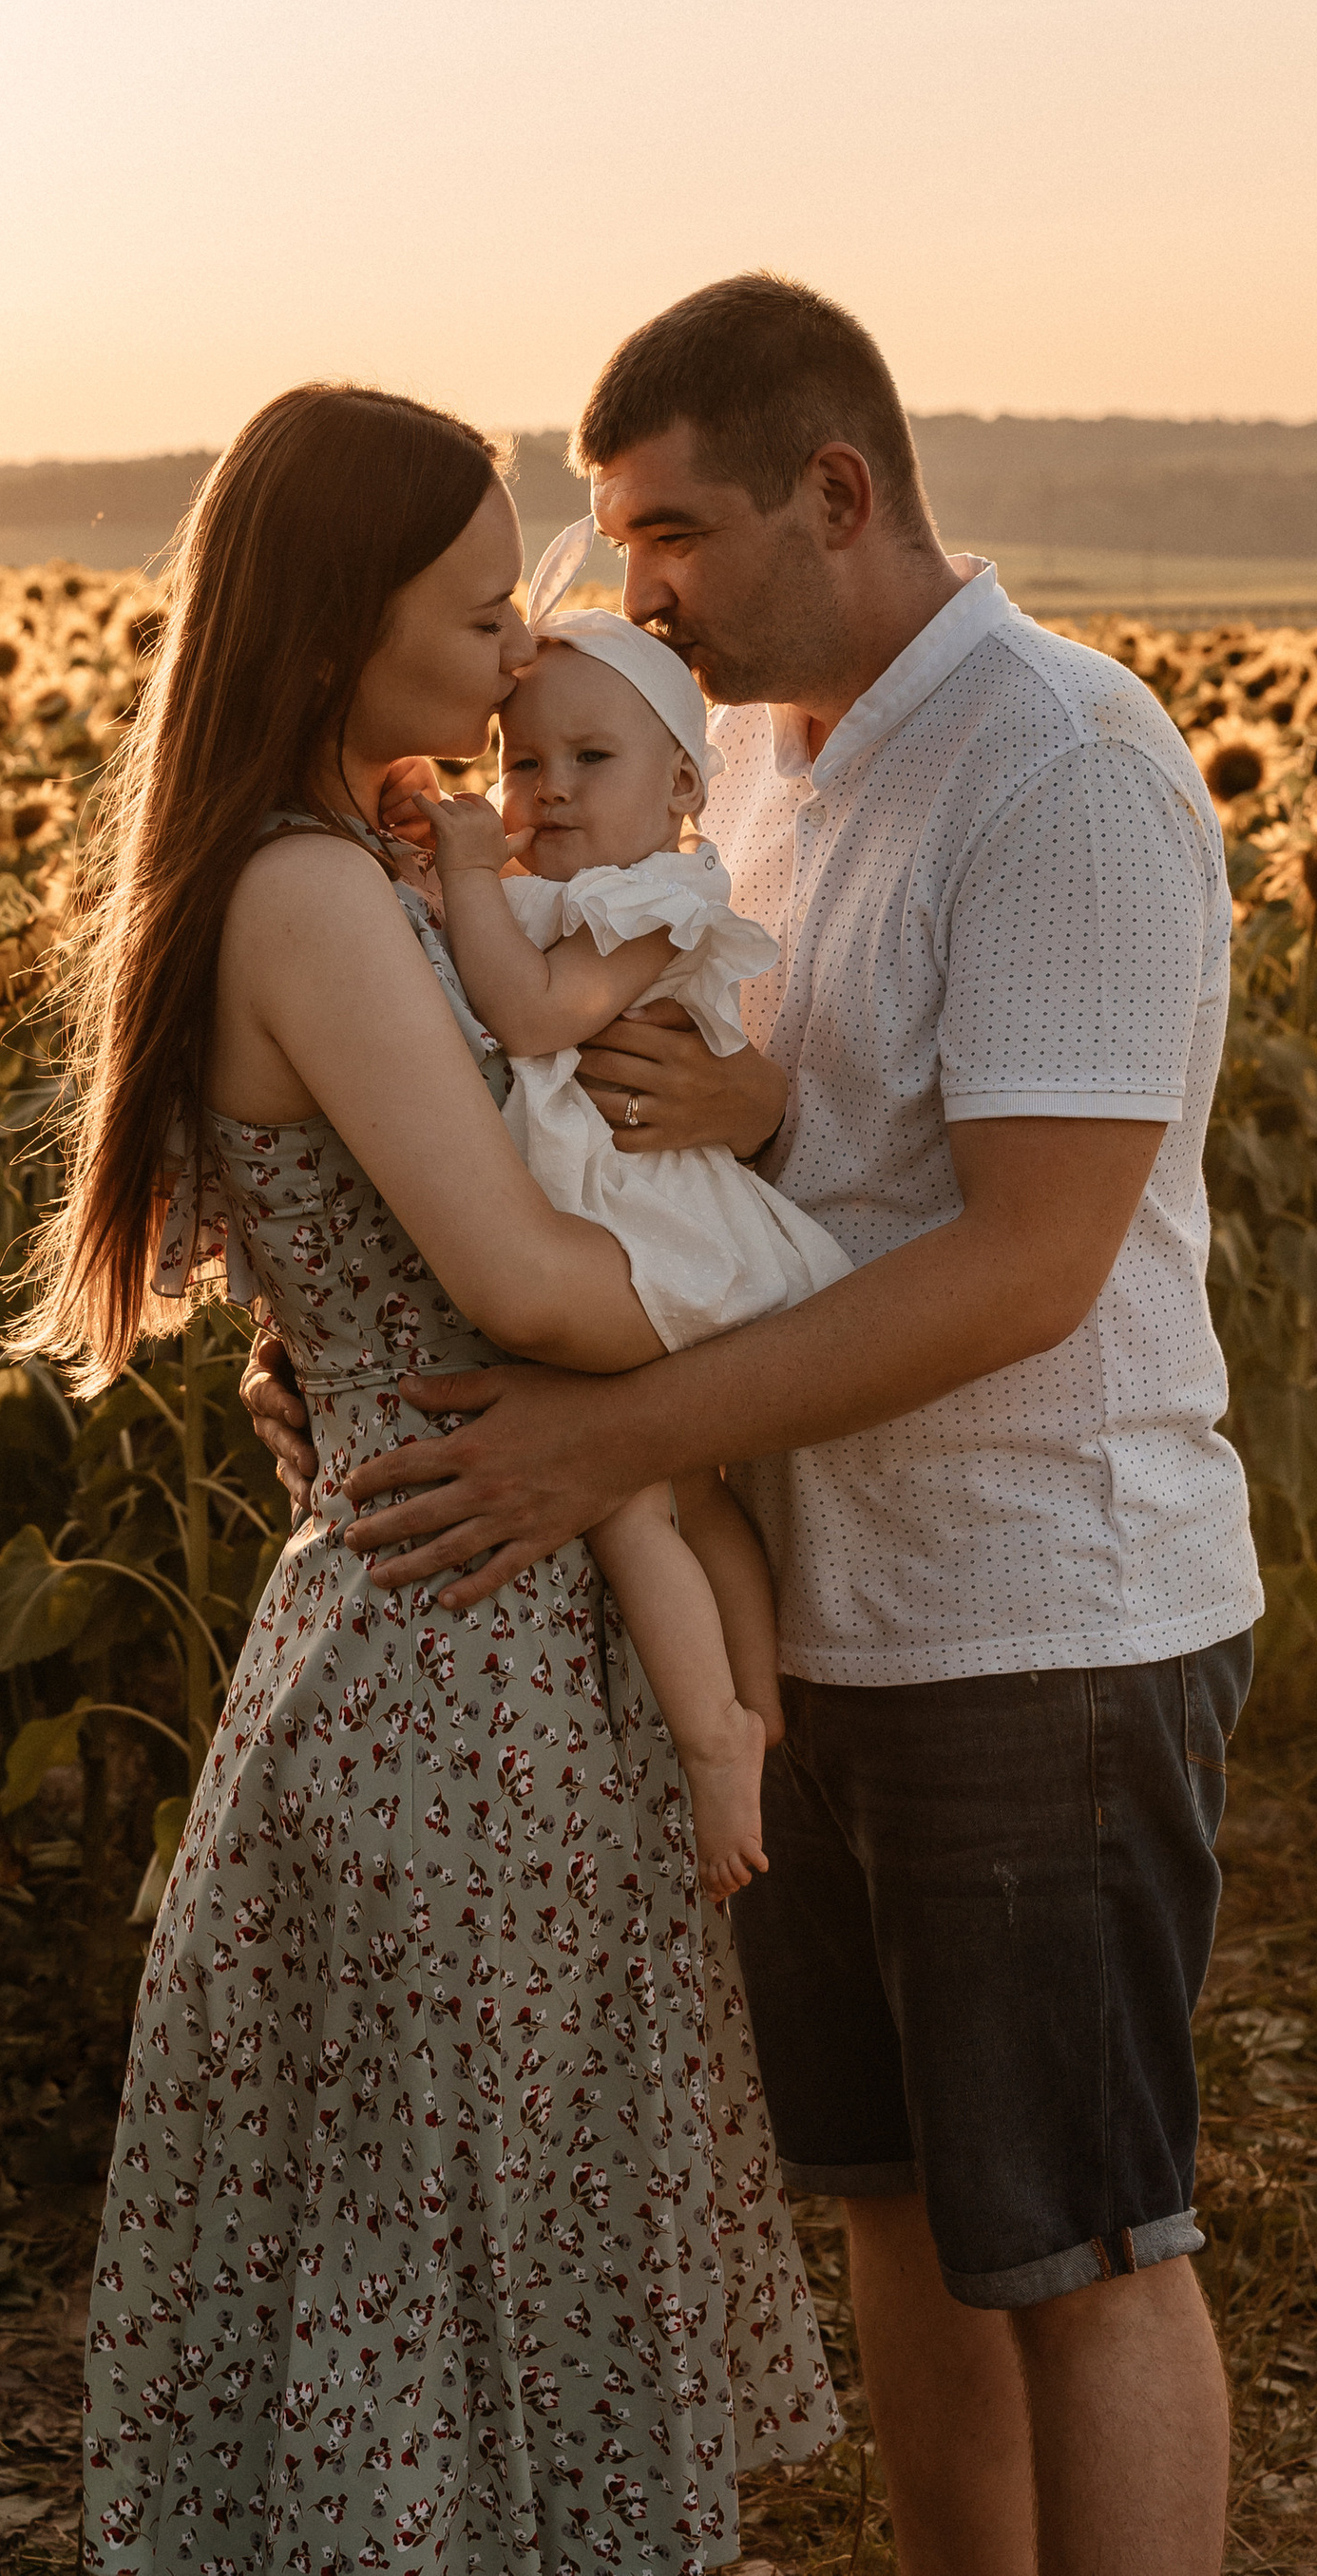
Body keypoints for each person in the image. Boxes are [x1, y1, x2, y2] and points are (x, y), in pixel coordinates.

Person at [247, 279, 1264, 2576]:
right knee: (896, 2214)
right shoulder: (758, 773)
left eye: (669, 531)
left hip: (1038, 1612)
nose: (630, 597)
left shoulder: (1058, 769)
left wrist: (615, 1442)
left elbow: (1025, 1260)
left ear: (837, 489)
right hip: (827, 1611)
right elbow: (776, 1166)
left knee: (1085, 2244)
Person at [26, 380, 836, 2575]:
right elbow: (516, 1281)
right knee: (434, 2281)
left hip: (480, 1625)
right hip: (452, 1666)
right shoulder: (307, 895)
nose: (516, 657)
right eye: (480, 612)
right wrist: (801, 1308)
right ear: (324, 629)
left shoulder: (360, 867)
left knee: (472, 2264)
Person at [409, 595, 849, 1901]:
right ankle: (763, 1712)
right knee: (697, 1496)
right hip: (608, 1212)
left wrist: (469, 882)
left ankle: (715, 1740)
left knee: (627, 1494)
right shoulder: (561, 891)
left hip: (646, 1229)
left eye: (589, 762)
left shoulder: (662, 897)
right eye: (519, 761)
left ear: (681, 784)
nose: (545, 792)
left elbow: (538, 1020)